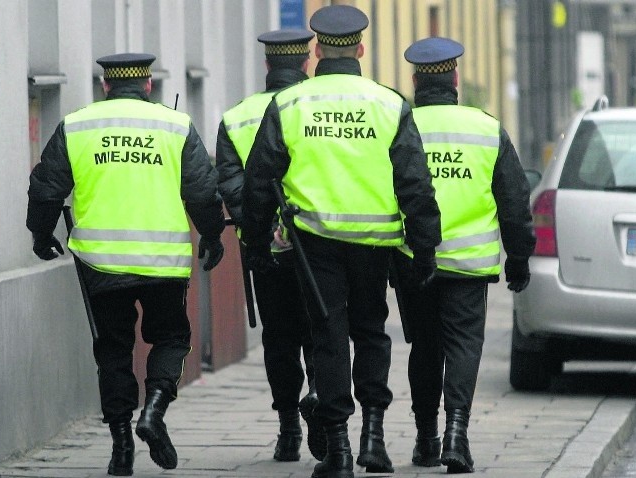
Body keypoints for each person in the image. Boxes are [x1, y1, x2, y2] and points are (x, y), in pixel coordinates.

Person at [241, 5, 442, 478]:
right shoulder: (390, 104)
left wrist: (254, 244)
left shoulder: (290, 104)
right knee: (372, 332)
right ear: (361, 49)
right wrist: (425, 247)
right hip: (376, 241)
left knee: (328, 336)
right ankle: (374, 436)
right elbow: (416, 182)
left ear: (316, 51)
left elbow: (259, 179)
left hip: (315, 241)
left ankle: (338, 452)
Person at [26, 53, 225, 476]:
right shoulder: (176, 125)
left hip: (101, 263)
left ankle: (120, 448)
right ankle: (153, 410)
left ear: (105, 86)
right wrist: (212, 234)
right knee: (171, 338)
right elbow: (203, 192)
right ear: (148, 85)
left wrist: (42, 235)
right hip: (163, 262)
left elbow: (46, 187)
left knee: (113, 351)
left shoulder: (78, 125)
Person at [395, 37, 535, 473]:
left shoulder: (401, 127)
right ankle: (457, 434)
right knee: (462, 347)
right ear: (455, 78)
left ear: (416, 80)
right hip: (470, 264)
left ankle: (425, 439)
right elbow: (514, 203)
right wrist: (519, 257)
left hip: (414, 259)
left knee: (425, 347)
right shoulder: (486, 129)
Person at [215, 29, 325, 463]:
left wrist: (258, 229)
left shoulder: (238, 116)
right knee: (323, 331)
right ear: (305, 63)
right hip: (319, 244)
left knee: (279, 340)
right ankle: (320, 397)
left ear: (267, 65)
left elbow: (231, 181)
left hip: (265, 251)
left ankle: (287, 432)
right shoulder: (319, 107)